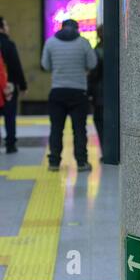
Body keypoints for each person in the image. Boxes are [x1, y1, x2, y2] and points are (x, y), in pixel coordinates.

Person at [41, 19, 97, 172]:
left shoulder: (50, 42)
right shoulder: (83, 43)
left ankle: (53, 163)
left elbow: (45, 65)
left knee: (56, 129)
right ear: (77, 29)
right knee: (79, 129)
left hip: (57, 92)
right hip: (78, 92)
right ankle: (81, 162)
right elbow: (92, 64)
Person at [0, 16, 28, 154]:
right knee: (9, 116)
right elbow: (16, 66)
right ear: (1, 28)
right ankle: (10, 144)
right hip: (8, 87)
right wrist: (22, 85)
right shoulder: (8, 45)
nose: (8, 28)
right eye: (6, 25)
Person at [88, 25, 104, 160]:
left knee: (99, 120)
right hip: (116, 95)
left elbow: (93, 75)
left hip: (99, 93)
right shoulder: (119, 50)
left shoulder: (97, 51)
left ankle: (105, 150)